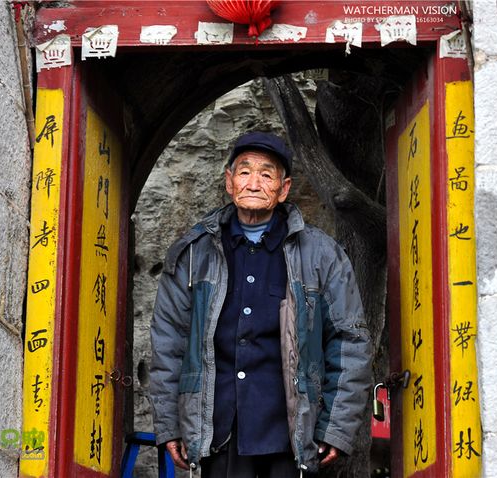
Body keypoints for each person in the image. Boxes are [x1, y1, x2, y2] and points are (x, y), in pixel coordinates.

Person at [150, 131, 372, 477]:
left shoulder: (321, 255)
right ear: (229, 182)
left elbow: (349, 342)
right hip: (220, 431)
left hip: (290, 434)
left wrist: (336, 427)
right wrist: (169, 424)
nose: (254, 183)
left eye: (267, 175)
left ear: (284, 189)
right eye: (244, 172)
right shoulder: (194, 254)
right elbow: (168, 343)